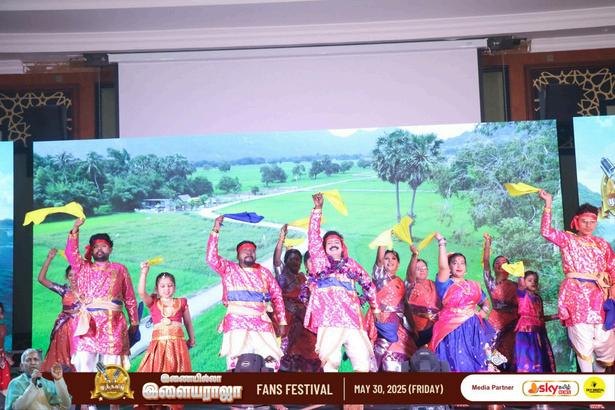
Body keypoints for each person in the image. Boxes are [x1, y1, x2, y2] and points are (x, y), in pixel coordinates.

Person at [65, 218, 138, 410]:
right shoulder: (83, 268)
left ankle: (114, 407)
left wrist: (135, 322)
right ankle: (88, 406)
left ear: (110, 249)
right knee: (84, 365)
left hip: (113, 323)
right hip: (88, 324)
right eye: (96, 246)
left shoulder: (120, 269)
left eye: (103, 246)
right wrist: (75, 230)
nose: (99, 249)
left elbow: (130, 297)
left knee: (113, 368)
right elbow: (71, 254)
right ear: (91, 249)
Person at [539, 190, 615, 372]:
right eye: (584, 221)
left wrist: (612, 289)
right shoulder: (568, 240)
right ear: (576, 221)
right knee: (582, 338)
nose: (588, 225)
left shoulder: (602, 244)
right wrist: (548, 203)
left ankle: (600, 383)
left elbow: (612, 268)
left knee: (604, 340)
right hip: (577, 294)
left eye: (592, 222)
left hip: (600, 296)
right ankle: (588, 385)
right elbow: (546, 232)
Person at [304, 193, 379, 372]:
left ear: (342, 246)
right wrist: (318, 210)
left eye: (336, 241)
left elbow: (368, 284)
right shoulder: (320, 263)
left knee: (362, 362)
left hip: (352, 320)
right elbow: (313, 237)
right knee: (331, 361)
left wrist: (375, 308)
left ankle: (359, 391)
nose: (333, 243)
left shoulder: (351, 264)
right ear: (323, 249)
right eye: (329, 242)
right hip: (329, 320)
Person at [206, 215, 287, 371]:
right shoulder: (229, 269)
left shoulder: (264, 272)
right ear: (238, 255)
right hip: (237, 322)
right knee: (238, 365)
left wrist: (282, 321)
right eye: (245, 250)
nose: (249, 253)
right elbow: (211, 259)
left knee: (271, 362)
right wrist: (215, 230)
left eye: (252, 250)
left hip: (261, 321)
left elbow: (277, 296)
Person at [428, 233, 496, 372]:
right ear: (449, 267)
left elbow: (485, 303)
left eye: (462, 263)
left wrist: (481, 313)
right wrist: (442, 242)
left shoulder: (474, 285)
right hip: (452, 330)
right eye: (454, 263)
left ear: (466, 267)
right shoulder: (445, 283)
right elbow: (443, 268)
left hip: (474, 330)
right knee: (458, 364)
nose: (459, 265)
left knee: (479, 364)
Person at [273, 225, 320, 372]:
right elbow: (276, 260)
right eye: (292, 259)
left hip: (302, 316)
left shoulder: (302, 277)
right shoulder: (282, 274)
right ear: (286, 261)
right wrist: (281, 239)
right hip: (287, 316)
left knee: (308, 349)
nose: (295, 262)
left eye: (298, 260)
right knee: (287, 350)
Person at [365, 245, 415, 371]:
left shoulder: (401, 283)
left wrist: (415, 255)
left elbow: (410, 276)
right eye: (386, 258)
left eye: (393, 258)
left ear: (398, 263)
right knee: (379, 353)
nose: (390, 261)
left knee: (401, 353)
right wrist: (383, 240)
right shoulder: (379, 277)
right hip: (380, 322)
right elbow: (379, 260)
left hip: (399, 325)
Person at [37, 249, 79, 373]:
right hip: (64, 330)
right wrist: (49, 258)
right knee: (62, 360)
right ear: (67, 277)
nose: (73, 278)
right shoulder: (64, 290)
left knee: (81, 360)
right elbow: (41, 279)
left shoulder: (90, 291)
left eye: (76, 275)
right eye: (70, 275)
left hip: (81, 330)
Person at [482, 233, 518, 369]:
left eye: (504, 263)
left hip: (513, 321)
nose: (500, 265)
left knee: (510, 349)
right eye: (497, 263)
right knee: (492, 347)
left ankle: (509, 372)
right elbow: (486, 262)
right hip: (495, 320)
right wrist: (488, 243)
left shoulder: (516, 286)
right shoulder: (491, 283)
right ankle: (496, 369)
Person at [515, 271, 557, 373]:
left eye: (535, 281)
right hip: (526, 333)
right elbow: (520, 285)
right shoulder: (522, 294)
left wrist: (557, 316)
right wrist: (520, 274)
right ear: (523, 282)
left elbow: (540, 318)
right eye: (529, 280)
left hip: (540, 334)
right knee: (528, 363)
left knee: (542, 362)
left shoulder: (538, 298)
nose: (533, 282)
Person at [5, 348, 71, 410]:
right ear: (21, 366)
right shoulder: (15, 383)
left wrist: (59, 380)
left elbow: (65, 405)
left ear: (41, 364)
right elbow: (16, 408)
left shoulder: (49, 384)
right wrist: (33, 385)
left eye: (36, 359)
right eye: (28, 360)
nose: (33, 363)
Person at [406, 245, 440, 347]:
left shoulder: (434, 284)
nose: (421, 270)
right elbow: (410, 275)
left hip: (437, 327)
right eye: (417, 268)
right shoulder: (411, 285)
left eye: (424, 268)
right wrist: (414, 255)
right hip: (419, 331)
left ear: (427, 270)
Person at [0, 303, 12, 398]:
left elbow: (3, 345)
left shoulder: (3, 327)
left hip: (2, 359)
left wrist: (7, 357)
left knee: (5, 388)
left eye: (0, 313)